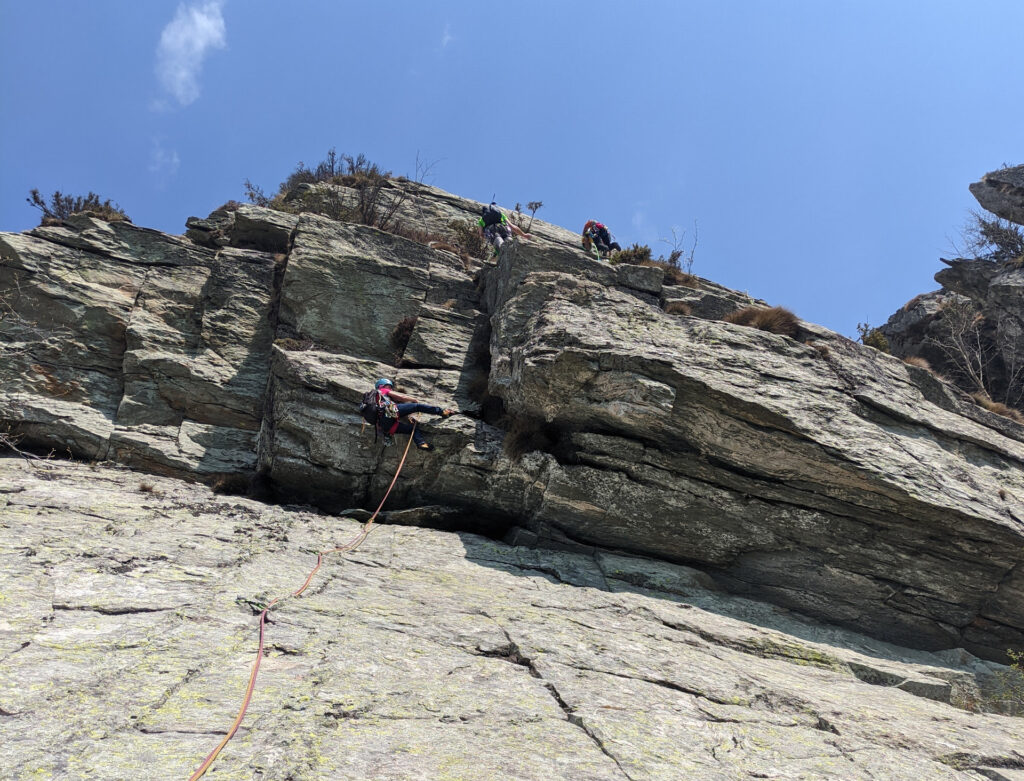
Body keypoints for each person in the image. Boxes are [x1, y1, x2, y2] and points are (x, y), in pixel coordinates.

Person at [362, 378, 455, 451]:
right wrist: (414, 400)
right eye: (389, 386)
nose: (390, 388)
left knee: (411, 429)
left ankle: (421, 443)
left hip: (384, 426)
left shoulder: (374, 402)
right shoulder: (383, 390)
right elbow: (402, 397)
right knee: (417, 406)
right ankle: (442, 412)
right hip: (388, 412)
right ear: (382, 386)